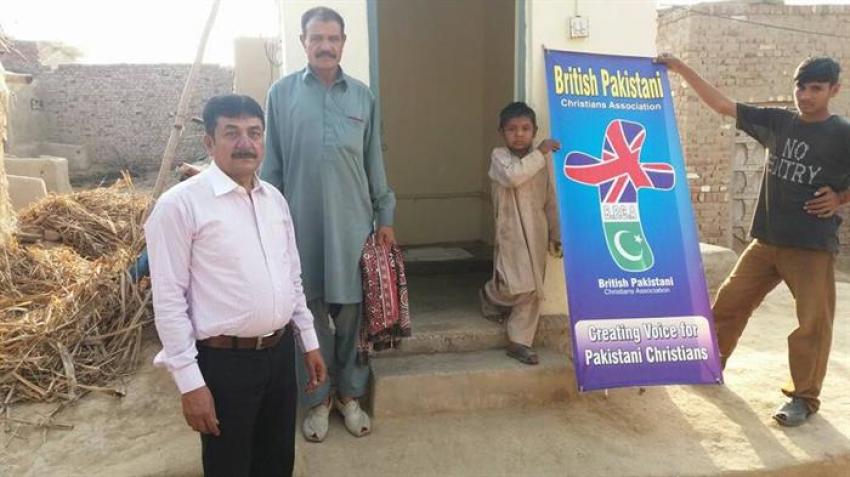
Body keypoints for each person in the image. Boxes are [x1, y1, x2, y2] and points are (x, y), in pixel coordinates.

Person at [658, 54, 850, 426]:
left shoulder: (842, 133)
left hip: (811, 246)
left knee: (812, 324)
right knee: (728, 304)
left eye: (816, 89)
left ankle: (803, 399)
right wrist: (680, 68)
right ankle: (707, 365)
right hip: (765, 242)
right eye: (801, 87)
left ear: (834, 90)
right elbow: (721, 104)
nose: (806, 96)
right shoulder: (778, 122)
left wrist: (840, 198)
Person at [145, 94, 327, 475]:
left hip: (278, 356)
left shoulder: (274, 200)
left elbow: (291, 275)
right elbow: (168, 300)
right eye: (232, 133)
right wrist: (190, 384)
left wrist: (308, 342)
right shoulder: (179, 206)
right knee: (229, 465)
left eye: (254, 133)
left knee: (276, 460)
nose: (245, 143)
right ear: (209, 142)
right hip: (224, 364)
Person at [261, 6, 396, 443]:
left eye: (332, 38)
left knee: (354, 315)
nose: (324, 45)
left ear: (343, 42)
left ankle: (350, 396)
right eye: (316, 38)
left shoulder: (363, 96)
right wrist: (267, 224)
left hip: (355, 227)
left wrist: (385, 216)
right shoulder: (280, 95)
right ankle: (317, 399)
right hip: (300, 228)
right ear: (303, 42)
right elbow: (273, 169)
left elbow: (375, 160)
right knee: (308, 316)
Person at [479, 101, 562, 365]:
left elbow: (550, 199)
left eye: (526, 128)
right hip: (510, 231)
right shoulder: (499, 157)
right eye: (512, 129)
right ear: (502, 132)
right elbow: (515, 177)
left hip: (537, 231)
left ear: (535, 130)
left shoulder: (543, 162)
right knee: (515, 284)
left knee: (533, 287)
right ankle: (490, 294)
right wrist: (540, 153)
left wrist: (556, 233)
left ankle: (519, 341)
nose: (519, 134)